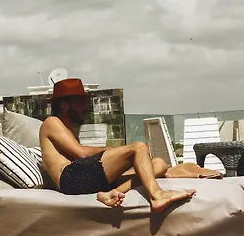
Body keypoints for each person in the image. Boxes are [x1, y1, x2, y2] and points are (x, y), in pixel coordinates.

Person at [39, 78, 196, 213]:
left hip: (82, 177)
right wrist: (114, 151)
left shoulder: (68, 128)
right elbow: (82, 153)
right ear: (64, 105)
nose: (86, 108)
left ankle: (112, 193)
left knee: (158, 164)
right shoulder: (51, 122)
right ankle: (157, 196)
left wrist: (125, 160)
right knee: (138, 147)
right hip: (70, 179)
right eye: (81, 103)